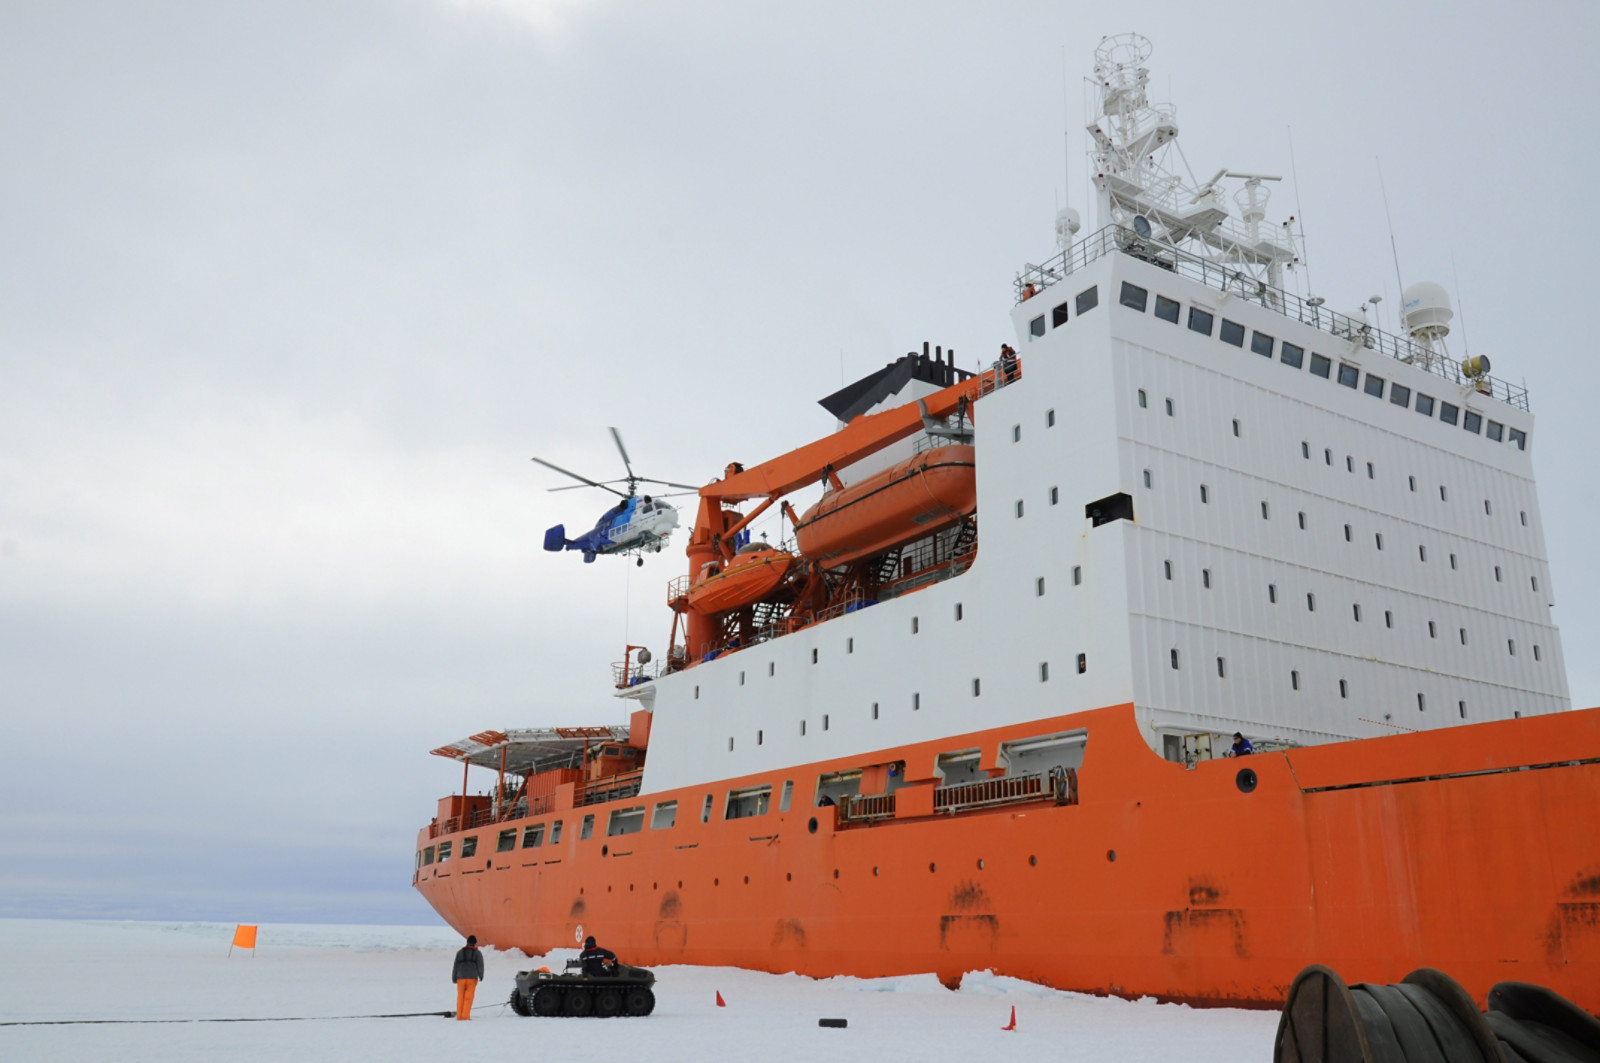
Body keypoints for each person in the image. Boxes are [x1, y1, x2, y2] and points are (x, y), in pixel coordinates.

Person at [452, 934, 485, 1020]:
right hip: (472, 978)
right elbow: (480, 965)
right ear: (475, 943)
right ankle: (465, 1016)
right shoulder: (477, 953)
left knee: (460, 997)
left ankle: (459, 1016)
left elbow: (455, 965)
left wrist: (454, 977)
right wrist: (481, 975)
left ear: (467, 942)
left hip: (461, 978)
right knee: (468, 998)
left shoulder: (459, 952)